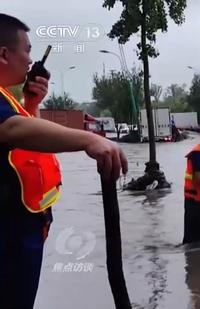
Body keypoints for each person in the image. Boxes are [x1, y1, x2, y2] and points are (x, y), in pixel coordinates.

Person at [0, 13, 128, 308]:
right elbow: (11, 129)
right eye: (27, 50)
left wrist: (31, 105)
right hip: (9, 235)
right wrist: (89, 139)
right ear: (4, 54)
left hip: (22, 228)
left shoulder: (9, 99)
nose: (31, 60)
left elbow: (21, 142)